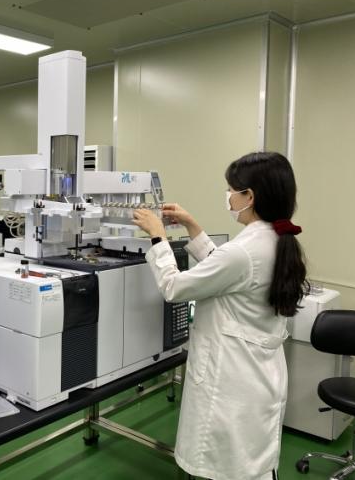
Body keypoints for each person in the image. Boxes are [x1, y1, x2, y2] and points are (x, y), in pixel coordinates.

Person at [132, 152, 308, 480]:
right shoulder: (274, 238)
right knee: (252, 465)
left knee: (229, 465)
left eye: (231, 190)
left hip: (231, 380)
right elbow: (226, 269)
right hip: (259, 375)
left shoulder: (243, 251)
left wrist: (158, 237)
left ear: (249, 196)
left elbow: (174, 287)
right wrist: (192, 225)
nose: (228, 196)